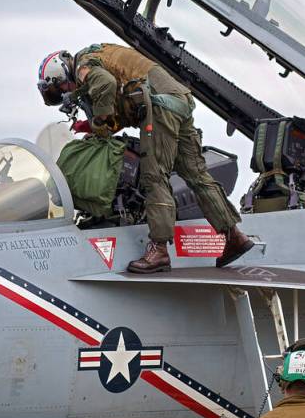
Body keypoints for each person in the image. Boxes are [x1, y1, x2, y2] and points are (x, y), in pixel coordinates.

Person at [37, 45, 253, 272]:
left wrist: (99, 125)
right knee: (197, 175)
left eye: (59, 87)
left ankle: (159, 251)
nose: (64, 92)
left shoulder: (84, 65)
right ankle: (234, 236)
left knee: (154, 176)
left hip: (159, 106)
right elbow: (126, 98)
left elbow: (106, 85)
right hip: (178, 100)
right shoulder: (99, 55)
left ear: (61, 72)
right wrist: (92, 123)